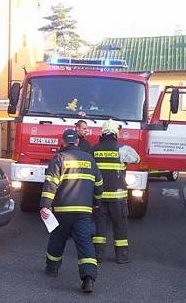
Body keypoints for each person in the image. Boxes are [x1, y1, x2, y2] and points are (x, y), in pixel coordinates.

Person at [39, 129, 103, 293]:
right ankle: (88, 278)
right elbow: (99, 185)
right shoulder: (90, 159)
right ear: (77, 142)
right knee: (85, 243)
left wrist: (45, 205)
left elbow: (50, 184)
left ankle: (52, 268)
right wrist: (95, 203)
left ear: (63, 142)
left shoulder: (59, 158)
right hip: (84, 211)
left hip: (62, 211)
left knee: (57, 239)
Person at [92, 119, 140, 264]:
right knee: (120, 227)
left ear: (102, 133)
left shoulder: (94, 149)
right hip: (118, 198)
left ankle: (97, 255)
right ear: (115, 133)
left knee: (99, 227)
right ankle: (122, 256)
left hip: (99, 197)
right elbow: (137, 159)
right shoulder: (123, 149)